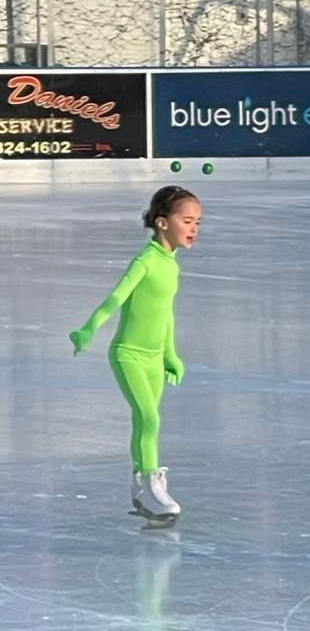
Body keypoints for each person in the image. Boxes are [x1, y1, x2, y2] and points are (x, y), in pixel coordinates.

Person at [70, 186, 201, 524]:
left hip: (155, 359)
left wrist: (171, 355)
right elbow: (116, 298)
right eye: (186, 220)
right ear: (161, 222)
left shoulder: (171, 266)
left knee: (146, 422)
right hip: (128, 355)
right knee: (149, 417)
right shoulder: (145, 261)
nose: (193, 228)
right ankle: (150, 482)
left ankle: (141, 486)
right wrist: (87, 329)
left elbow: (166, 312)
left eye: (197, 222)